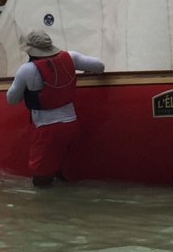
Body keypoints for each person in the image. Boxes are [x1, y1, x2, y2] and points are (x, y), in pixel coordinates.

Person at [7, 30, 105, 187]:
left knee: (41, 181)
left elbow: (11, 99)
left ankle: (42, 210)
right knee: (64, 175)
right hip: (72, 126)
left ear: (30, 50)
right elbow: (100, 66)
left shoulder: (27, 70)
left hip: (48, 130)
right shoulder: (71, 57)